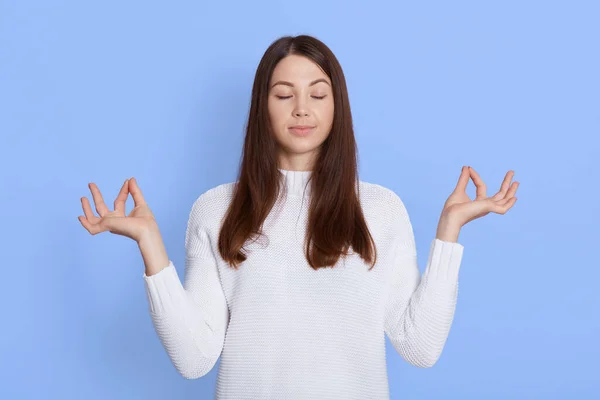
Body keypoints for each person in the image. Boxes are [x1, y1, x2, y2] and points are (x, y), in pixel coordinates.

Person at [78, 34, 519, 399]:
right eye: (284, 94)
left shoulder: (381, 210)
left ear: (336, 106)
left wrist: (448, 234)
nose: (301, 108)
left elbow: (419, 346)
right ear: (262, 107)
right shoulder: (216, 210)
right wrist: (150, 245)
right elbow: (194, 360)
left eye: (318, 94)